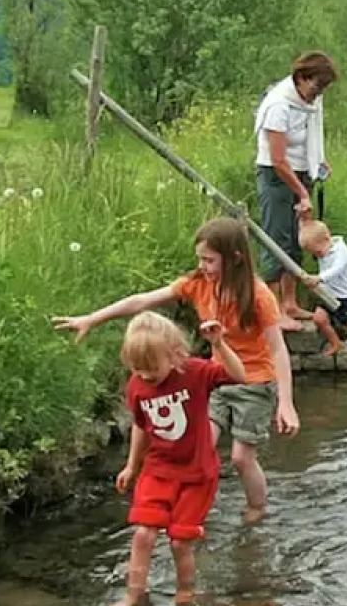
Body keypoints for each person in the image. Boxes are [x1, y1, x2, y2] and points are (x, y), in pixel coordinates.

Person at [53, 218, 299, 525]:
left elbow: (277, 349)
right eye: (200, 258)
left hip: (255, 382)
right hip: (217, 378)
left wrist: (286, 403)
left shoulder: (258, 295)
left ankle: (257, 508)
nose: (203, 266)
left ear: (235, 258)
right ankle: (189, 508)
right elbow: (143, 301)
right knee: (198, 445)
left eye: (209, 260)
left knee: (240, 457)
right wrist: (93, 318)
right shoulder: (198, 284)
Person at [111, 311, 245, 606]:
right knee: (143, 533)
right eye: (137, 368)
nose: (145, 376)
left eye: (152, 368)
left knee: (179, 541)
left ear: (174, 354)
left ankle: (185, 591)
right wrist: (132, 466)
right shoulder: (136, 386)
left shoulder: (194, 372)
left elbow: (238, 375)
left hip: (197, 473)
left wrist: (220, 344)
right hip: (157, 469)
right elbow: (141, 426)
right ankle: (133, 594)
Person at [254, 51, 337, 331]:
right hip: (277, 178)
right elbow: (277, 159)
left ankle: (290, 303)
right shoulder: (278, 105)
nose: (318, 94)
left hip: (301, 173)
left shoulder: (311, 102)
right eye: (316, 87)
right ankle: (274, 310)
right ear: (301, 78)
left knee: (296, 238)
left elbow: (310, 137)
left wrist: (319, 162)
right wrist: (302, 192)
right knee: (276, 240)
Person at [298, 219, 347, 380]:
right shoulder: (321, 244)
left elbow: (336, 270)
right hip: (328, 294)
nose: (317, 256)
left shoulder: (342, 251)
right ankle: (336, 343)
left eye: (318, 253)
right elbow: (308, 230)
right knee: (319, 319)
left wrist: (318, 278)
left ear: (327, 239)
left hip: (346, 297)